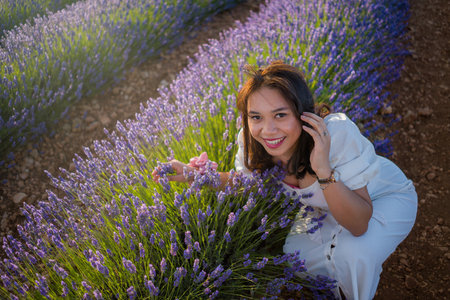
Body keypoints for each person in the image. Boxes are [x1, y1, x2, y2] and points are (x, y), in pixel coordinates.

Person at [153, 61, 417, 299]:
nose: (267, 130)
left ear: (302, 113)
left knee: (354, 255)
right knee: (295, 257)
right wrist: (196, 175)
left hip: (380, 200)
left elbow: (360, 223)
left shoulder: (335, 134)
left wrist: (323, 170)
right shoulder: (250, 140)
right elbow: (246, 182)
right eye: (256, 117)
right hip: (322, 212)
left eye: (280, 115)